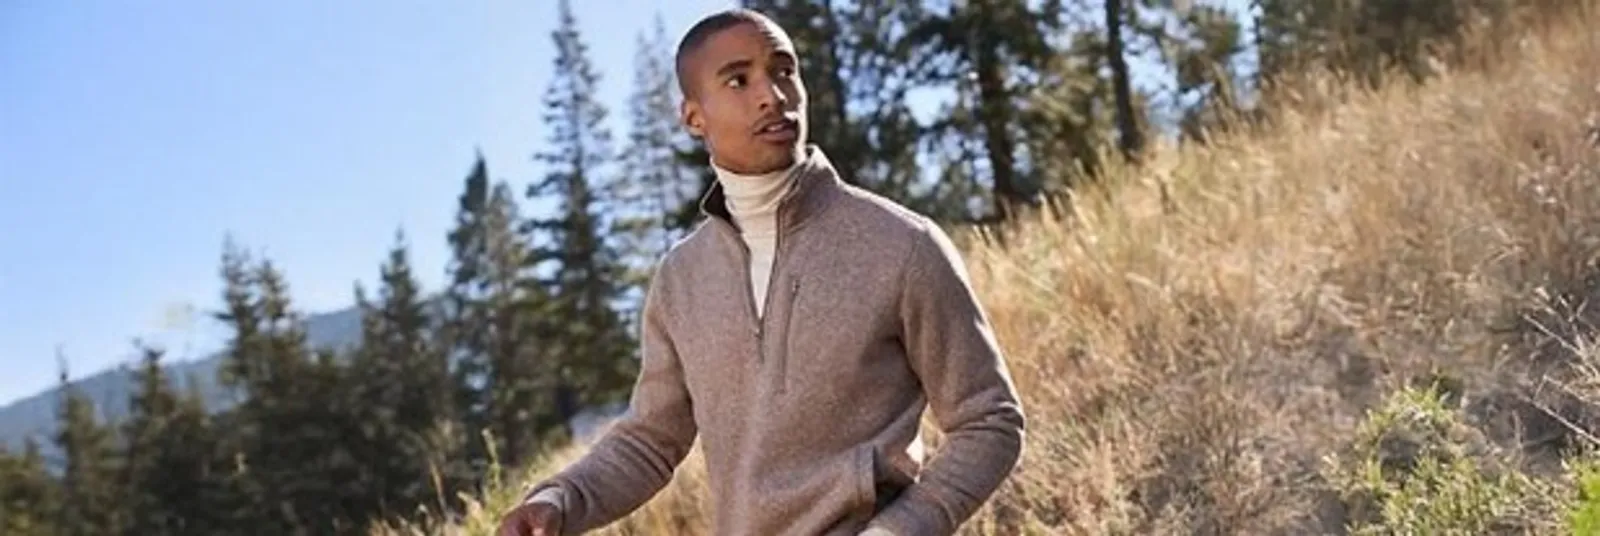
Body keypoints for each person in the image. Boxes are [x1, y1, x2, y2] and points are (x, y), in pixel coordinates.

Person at [497, 8, 1025, 536]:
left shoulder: (903, 244)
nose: (772, 94)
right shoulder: (681, 280)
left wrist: (898, 531)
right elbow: (651, 440)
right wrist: (560, 499)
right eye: (738, 79)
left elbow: (990, 420)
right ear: (694, 117)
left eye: (783, 69)